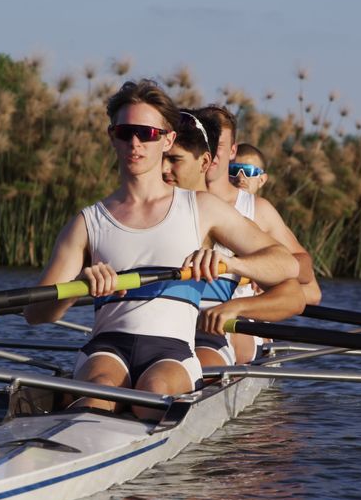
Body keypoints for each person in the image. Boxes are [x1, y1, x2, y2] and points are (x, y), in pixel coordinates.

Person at [24, 80, 298, 420]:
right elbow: (35, 314)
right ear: (112, 136)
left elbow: (286, 265)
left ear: (167, 139)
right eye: (126, 132)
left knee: (152, 394)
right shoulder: (87, 222)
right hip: (105, 349)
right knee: (99, 394)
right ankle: (80, 421)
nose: (135, 143)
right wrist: (79, 282)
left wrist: (229, 263)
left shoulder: (203, 209)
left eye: (147, 133)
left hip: (171, 353)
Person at [162, 110, 305, 368]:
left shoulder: (231, 223)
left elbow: (296, 294)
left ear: (203, 161)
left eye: (173, 159)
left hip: (209, 338)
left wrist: (237, 304)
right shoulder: (136, 215)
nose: (163, 169)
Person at [196, 105, 322, 363]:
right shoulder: (169, 201)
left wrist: (260, 268)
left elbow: (308, 280)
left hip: (238, 323)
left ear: (232, 151)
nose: (209, 151)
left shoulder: (258, 210)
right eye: (202, 142)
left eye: (216, 144)